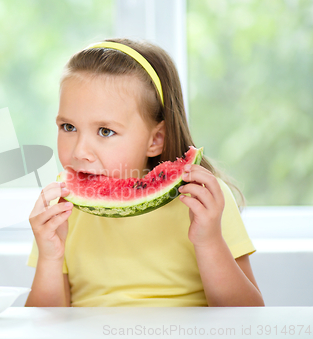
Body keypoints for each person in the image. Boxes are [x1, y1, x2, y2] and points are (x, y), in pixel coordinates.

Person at [24, 38, 264, 307]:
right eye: (68, 127)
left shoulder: (204, 200)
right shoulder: (61, 208)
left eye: (105, 131)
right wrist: (50, 257)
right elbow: (45, 324)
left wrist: (209, 242)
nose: (80, 151)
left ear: (156, 139)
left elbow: (248, 317)